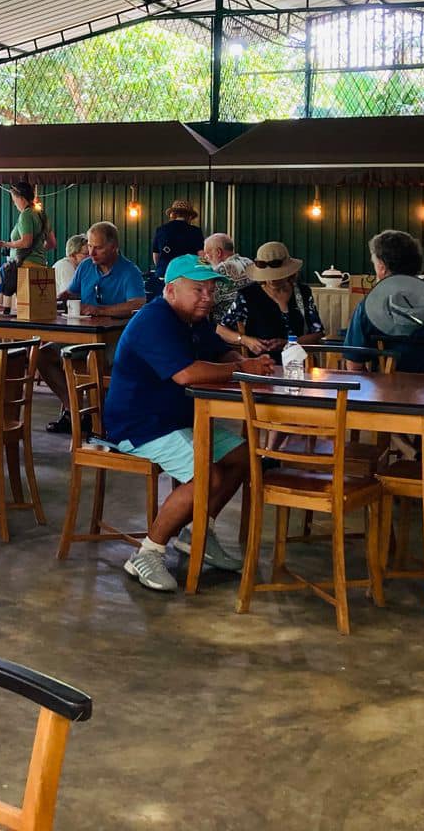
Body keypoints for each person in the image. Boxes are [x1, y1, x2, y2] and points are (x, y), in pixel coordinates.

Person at [98, 255, 276, 592]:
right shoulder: (155, 320)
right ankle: (147, 552)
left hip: (177, 421)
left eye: (211, 290)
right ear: (171, 291)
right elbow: (186, 374)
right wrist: (242, 370)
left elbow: (219, 353)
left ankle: (197, 533)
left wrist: (241, 360)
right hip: (140, 426)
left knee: (244, 457)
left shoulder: (194, 320)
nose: (207, 297)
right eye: (198, 290)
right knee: (207, 474)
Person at [342, 230, 424, 372]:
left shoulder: (370, 305)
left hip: (389, 385)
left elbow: (354, 365)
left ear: (382, 267)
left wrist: (378, 382)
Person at [216, 241, 324, 358]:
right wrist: (245, 340)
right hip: (261, 362)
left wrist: (289, 343)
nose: (272, 280)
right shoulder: (248, 295)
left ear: (289, 273)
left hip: (297, 362)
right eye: (267, 276)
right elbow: (221, 329)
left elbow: (317, 333)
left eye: (277, 276)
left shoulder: (303, 292)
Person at [61, 222, 146, 317]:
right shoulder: (85, 265)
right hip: (83, 325)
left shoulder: (130, 272)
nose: (91, 253)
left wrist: (99, 310)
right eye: (89, 246)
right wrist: (53, 300)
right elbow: (69, 294)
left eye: (98, 248)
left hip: (115, 326)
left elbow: (137, 305)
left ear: (113, 247)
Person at [0, 182, 54, 268]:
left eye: (14, 200)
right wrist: (36, 252)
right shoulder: (42, 215)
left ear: (21, 198)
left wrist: (4, 244)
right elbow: (52, 243)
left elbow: (26, 242)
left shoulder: (26, 214)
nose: (14, 204)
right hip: (40, 265)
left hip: (25, 265)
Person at [201, 232, 253, 325]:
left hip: (226, 326)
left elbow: (206, 302)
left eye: (207, 254)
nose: (205, 258)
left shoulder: (220, 271)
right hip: (252, 323)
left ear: (218, 252)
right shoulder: (249, 262)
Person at [151, 198, 205, 276]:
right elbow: (201, 255)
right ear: (189, 216)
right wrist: (205, 269)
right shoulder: (195, 231)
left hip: (165, 273)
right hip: (187, 274)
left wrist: (162, 268)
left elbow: (156, 256)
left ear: (172, 214)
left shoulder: (161, 230)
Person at [54, 233, 89, 297]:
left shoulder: (79, 268)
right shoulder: (65, 266)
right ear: (73, 255)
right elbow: (71, 297)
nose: (90, 257)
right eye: (86, 254)